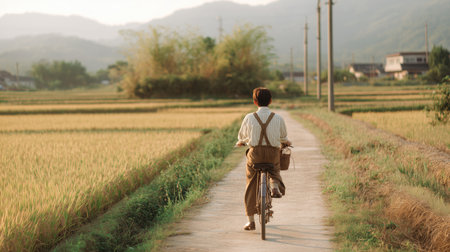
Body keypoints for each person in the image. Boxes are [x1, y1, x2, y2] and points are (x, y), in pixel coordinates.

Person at [235, 87, 291, 231]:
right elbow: (283, 137)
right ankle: (274, 186)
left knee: (251, 183)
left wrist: (242, 142)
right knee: (275, 169)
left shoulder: (249, 117)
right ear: (271, 101)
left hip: (255, 155)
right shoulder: (278, 118)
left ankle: (250, 221)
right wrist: (285, 142)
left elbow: (242, 137)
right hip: (272, 154)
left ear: (255, 102)